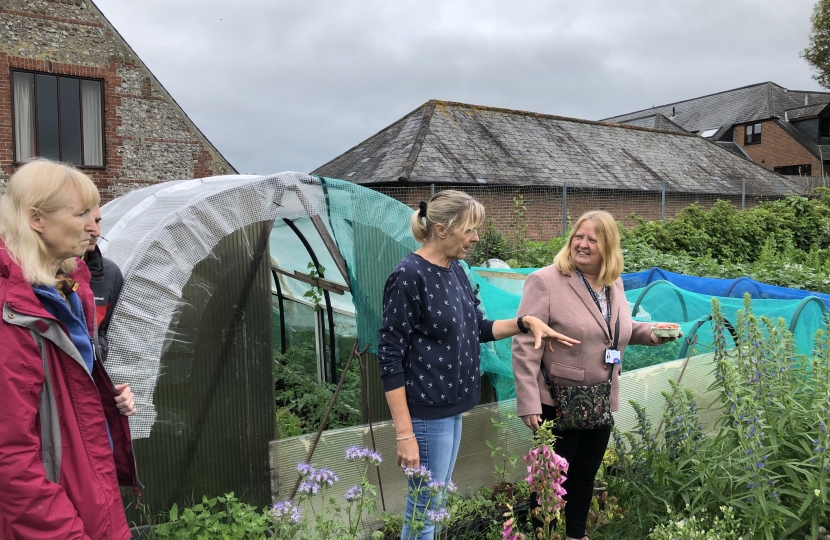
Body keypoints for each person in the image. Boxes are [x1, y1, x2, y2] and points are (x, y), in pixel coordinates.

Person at [377, 190, 579, 540]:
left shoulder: (456, 271)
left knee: (434, 503)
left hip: (452, 406)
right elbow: (389, 356)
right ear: (442, 229)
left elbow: (479, 329)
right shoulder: (409, 275)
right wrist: (404, 434)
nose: (476, 237)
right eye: (470, 230)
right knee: (425, 507)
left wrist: (525, 322)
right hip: (426, 413)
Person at [512, 210, 680, 540]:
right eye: (578, 237)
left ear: (608, 247)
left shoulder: (612, 283)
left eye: (593, 239)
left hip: (600, 397)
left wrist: (651, 333)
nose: (583, 244)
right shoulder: (545, 281)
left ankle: (575, 535)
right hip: (558, 400)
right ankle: (543, 535)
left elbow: (619, 329)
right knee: (552, 477)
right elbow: (524, 344)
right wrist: (528, 401)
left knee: (585, 474)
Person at [0, 159, 139, 539]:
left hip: (87, 489)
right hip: (51, 514)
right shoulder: (12, 310)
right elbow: (10, 455)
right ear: (36, 219)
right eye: (80, 213)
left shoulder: (66, 289)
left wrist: (107, 398)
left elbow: (59, 391)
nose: (92, 225)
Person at [84, 206, 124, 362]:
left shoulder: (110, 273)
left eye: (97, 221)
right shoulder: (34, 272)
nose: (96, 232)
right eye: (84, 220)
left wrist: (93, 362)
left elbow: (104, 332)